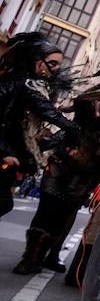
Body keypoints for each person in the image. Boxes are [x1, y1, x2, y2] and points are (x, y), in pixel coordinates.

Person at [13, 97, 100, 275]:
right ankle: (29, 259)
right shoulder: (85, 118)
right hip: (60, 170)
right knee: (45, 213)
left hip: (82, 179)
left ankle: (41, 258)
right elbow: (82, 102)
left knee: (59, 221)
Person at [0, 33, 80, 223]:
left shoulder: (21, 82)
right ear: (37, 61)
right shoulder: (25, 85)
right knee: (3, 202)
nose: (57, 70)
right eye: (52, 64)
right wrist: (73, 128)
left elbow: (26, 135)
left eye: (59, 65)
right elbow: (48, 112)